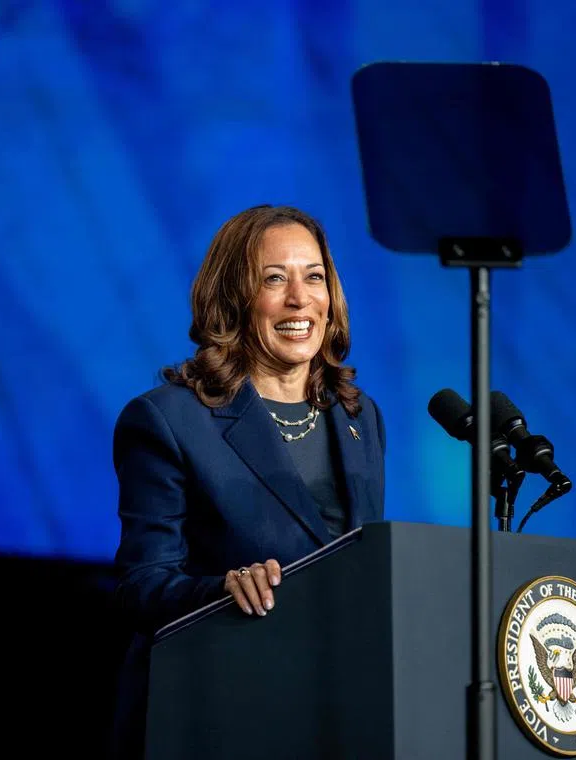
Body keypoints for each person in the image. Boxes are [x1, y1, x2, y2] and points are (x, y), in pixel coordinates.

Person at [107, 204, 386, 758]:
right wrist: (223, 589)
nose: (299, 298)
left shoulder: (359, 417)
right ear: (233, 298)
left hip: (329, 713)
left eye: (314, 277)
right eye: (273, 279)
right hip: (212, 713)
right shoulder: (168, 420)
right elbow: (141, 585)